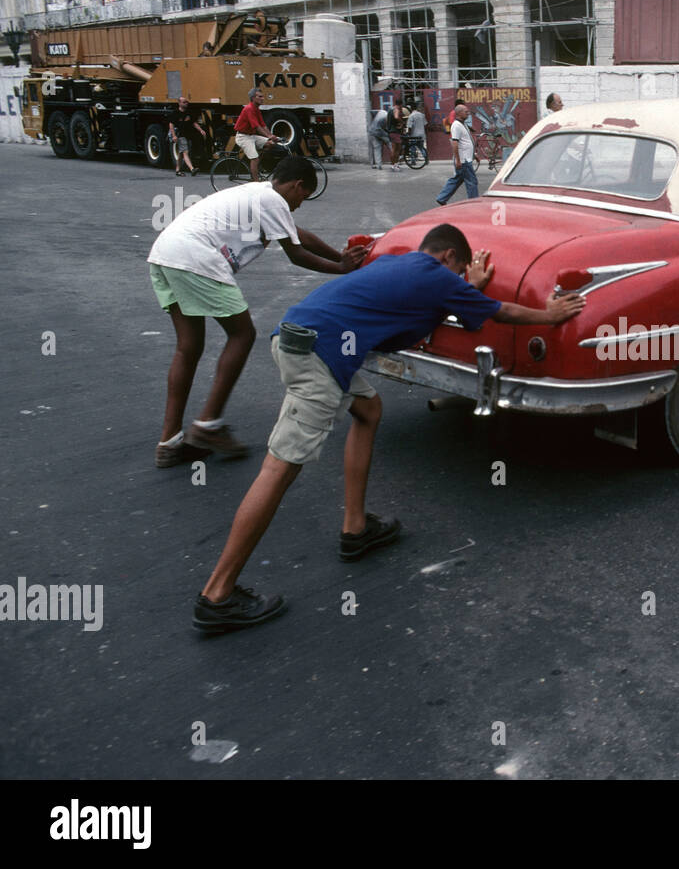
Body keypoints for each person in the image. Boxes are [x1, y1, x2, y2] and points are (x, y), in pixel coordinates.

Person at [190, 223, 587, 633]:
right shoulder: (435, 275)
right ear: (449, 258)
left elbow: (461, 315)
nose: (459, 280)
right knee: (279, 469)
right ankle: (218, 594)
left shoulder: (407, 266)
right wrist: (550, 314)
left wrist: (470, 289)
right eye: (460, 271)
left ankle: (356, 527)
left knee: (369, 410)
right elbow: (500, 313)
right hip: (319, 359)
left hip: (298, 340)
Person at [148, 156, 367, 468]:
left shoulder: (258, 194)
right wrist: (340, 269)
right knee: (242, 334)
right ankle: (208, 424)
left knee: (188, 346)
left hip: (165, 253)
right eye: (302, 197)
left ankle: (169, 442)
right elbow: (296, 254)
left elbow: (297, 234)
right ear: (297, 185)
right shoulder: (272, 198)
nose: (299, 205)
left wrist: (340, 258)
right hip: (195, 256)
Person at [233, 88, 279, 183]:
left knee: (271, 144)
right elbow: (257, 127)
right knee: (255, 158)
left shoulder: (256, 109)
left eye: (263, 96)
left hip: (251, 136)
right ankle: (256, 183)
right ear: (253, 98)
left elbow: (263, 125)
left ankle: (256, 167)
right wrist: (269, 136)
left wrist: (272, 136)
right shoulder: (249, 109)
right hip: (243, 137)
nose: (263, 98)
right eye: (260, 96)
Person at [436, 103, 478, 205]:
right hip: (463, 160)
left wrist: (474, 155)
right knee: (472, 182)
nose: (468, 114)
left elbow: (466, 142)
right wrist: (458, 160)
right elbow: (455, 143)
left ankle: (442, 198)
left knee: (457, 180)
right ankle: (474, 202)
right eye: (466, 112)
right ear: (459, 113)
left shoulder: (462, 124)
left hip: (466, 158)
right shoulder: (456, 126)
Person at [168, 97, 207, 176]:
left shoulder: (188, 112)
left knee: (181, 153)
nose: (186, 103)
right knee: (185, 152)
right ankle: (192, 169)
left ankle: (178, 170)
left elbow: (194, 123)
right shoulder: (175, 113)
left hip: (187, 135)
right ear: (179, 103)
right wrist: (174, 136)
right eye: (184, 102)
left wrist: (201, 130)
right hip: (180, 135)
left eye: (186, 102)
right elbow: (171, 125)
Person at [368, 105, 404, 171]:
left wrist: (374, 120)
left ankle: (379, 165)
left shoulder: (381, 111)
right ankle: (395, 160)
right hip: (380, 131)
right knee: (391, 144)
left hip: (372, 131)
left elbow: (371, 112)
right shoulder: (388, 117)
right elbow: (388, 128)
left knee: (377, 148)